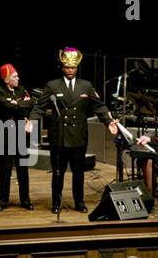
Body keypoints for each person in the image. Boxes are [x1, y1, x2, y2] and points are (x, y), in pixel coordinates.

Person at [30, 47, 118, 214]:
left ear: (77, 68)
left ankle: (79, 202)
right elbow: (39, 107)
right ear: (62, 68)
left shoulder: (86, 86)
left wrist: (108, 122)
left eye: (72, 68)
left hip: (78, 137)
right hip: (59, 138)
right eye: (67, 68)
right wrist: (32, 121)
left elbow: (99, 107)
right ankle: (57, 202)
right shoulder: (53, 85)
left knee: (78, 174)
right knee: (58, 173)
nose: (70, 71)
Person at [0, 63, 34, 211]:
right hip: (6, 136)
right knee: (5, 170)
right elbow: (6, 107)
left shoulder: (21, 90)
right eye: (15, 76)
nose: (18, 78)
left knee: (23, 168)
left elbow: (32, 103)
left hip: (21, 135)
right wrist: (21, 104)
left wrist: (17, 104)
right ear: (6, 80)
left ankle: (25, 199)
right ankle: (3, 200)